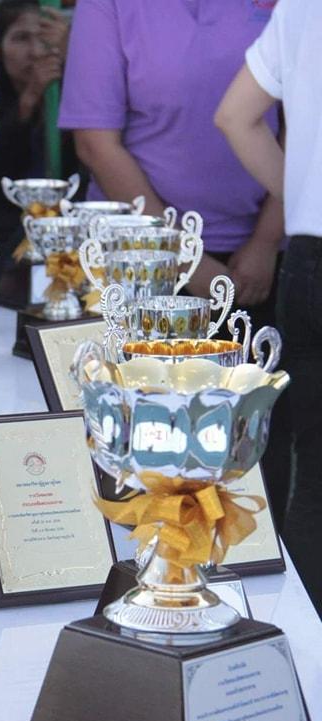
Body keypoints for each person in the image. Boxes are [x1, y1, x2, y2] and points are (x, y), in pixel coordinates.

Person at [58, 0, 290, 528]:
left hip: (256, 267)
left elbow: (304, 129)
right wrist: (189, 261)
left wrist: (266, 240)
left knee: (249, 467)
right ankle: (155, 575)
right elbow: (95, 143)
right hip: (142, 272)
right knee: (140, 460)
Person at [215, 0, 322, 614]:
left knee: (315, 483)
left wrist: (305, 193)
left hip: (309, 255)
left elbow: (235, 117)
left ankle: (306, 653)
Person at [0, 0, 79, 284]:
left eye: (44, 38)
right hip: (6, 230)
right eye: (21, 38)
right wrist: (30, 98)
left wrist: (76, 60)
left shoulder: (81, 92)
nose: (35, 51)